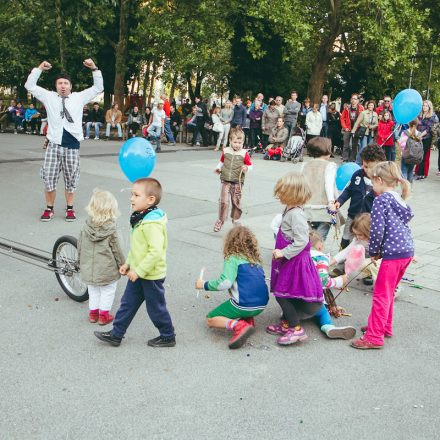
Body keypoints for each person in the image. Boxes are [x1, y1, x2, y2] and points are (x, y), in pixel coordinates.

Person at [94, 178, 176, 348]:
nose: (131, 198)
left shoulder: (151, 223)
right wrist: (129, 264)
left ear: (150, 200)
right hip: (138, 272)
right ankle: (116, 334)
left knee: (156, 308)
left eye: (136, 195)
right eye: (132, 194)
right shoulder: (140, 218)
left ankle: (168, 336)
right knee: (127, 303)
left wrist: (138, 271)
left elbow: (156, 251)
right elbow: (137, 248)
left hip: (151, 275)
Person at [25, 58, 103, 222]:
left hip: (72, 146)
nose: (62, 86)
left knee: (71, 179)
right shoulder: (49, 97)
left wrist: (94, 68)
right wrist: (39, 68)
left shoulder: (79, 97)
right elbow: (30, 86)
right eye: (60, 83)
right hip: (53, 145)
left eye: (65, 83)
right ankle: (49, 208)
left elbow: (98, 88)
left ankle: (69, 208)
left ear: (70, 86)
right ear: (56, 86)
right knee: (49, 178)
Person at [351, 162, 414, 349]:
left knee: (381, 295)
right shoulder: (399, 198)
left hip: (393, 254)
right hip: (406, 252)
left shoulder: (381, 200)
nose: (372, 187)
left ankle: (374, 337)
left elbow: (377, 230)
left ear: (379, 180)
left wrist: (375, 251)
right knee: (388, 293)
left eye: (372, 183)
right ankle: (384, 326)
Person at [268, 172, 323, 345]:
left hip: (296, 262)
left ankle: (296, 328)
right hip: (290, 260)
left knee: (282, 293)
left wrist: (284, 252)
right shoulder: (289, 209)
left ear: (293, 194)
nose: (278, 195)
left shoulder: (296, 214)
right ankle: (286, 322)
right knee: (286, 291)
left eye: (281, 192)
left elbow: (302, 240)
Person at [195, 226, 269, 349]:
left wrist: (203, 284)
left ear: (230, 242)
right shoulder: (256, 260)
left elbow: (225, 283)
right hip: (261, 305)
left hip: (244, 305)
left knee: (210, 318)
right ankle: (248, 320)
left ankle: (239, 326)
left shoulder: (233, 258)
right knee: (245, 290)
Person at [78, 189, 125, 325]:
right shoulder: (112, 230)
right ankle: (104, 315)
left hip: (89, 268)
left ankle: (93, 314)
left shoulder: (85, 227)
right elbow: (118, 250)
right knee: (108, 290)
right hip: (107, 269)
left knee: (93, 290)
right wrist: (123, 264)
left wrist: (79, 261)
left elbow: (80, 245)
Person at [335, 144, 386, 248]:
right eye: (364, 166)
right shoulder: (358, 174)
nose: (366, 169)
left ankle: (362, 259)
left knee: (365, 241)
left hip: (369, 219)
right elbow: (348, 190)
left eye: (370, 167)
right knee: (346, 237)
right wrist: (339, 201)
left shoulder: (381, 181)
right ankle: (342, 259)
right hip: (353, 215)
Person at [213, 128, 252, 232]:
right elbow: (221, 162)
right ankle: (220, 220)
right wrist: (218, 168)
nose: (237, 144)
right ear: (230, 141)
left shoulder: (244, 153)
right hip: (225, 180)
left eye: (240, 142)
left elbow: (250, 165)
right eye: (235, 142)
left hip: (237, 182)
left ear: (243, 142)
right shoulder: (225, 150)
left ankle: (235, 219)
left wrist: (246, 168)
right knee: (224, 202)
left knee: (236, 202)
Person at [301, 137, 337, 241]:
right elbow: (329, 184)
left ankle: (306, 256)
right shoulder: (330, 166)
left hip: (306, 206)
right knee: (319, 239)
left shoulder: (305, 165)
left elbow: (301, 185)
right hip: (324, 208)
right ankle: (316, 255)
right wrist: (332, 201)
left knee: (307, 237)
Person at [331, 213, 380, 286]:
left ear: (368, 231)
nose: (357, 236)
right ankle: (367, 274)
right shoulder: (358, 239)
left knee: (374, 267)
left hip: (382, 262)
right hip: (369, 260)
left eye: (360, 234)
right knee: (362, 263)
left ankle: (387, 286)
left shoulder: (378, 239)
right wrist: (332, 260)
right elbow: (347, 251)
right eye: (355, 234)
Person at [415, 100, 438, 180]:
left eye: (426, 106)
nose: (424, 107)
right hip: (418, 137)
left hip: (426, 138)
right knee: (418, 155)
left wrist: (421, 135)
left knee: (424, 155)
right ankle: (417, 172)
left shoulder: (432, 116)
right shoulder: (420, 115)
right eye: (423, 105)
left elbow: (428, 129)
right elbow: (416, 126)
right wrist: (417, 134)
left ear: (429, 107)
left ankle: (421, 174)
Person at [352, 100, 378, 164]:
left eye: (372, 105)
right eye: (369, 105)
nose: (370, 106)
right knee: (363, 147)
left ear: (374, 106)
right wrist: (353, 131)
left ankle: (366, 163)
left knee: (369, 149)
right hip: (364, 132)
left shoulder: (375, 114)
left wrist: (372, 127)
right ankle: (357, 162)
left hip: (371, 133)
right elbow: (357, 122)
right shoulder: (363, 113)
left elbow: (377, 124)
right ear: (367, 105)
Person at [340, 94, 364, 162]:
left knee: (354, 145)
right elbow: (342, 118)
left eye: (355, 99)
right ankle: (345, 159)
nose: (353, 100)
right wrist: (344, 127)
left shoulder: (361, 108)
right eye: (352, 98)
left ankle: (352, 159)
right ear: (351, 100)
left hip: (356, 129)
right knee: (346, 144)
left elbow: (363, 118)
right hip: (348, 128)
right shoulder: (347, 108)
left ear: (358, 100)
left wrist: (359, 127)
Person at [399, 119, 422, 183]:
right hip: (414, 156)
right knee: (410, 171)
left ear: (409, 124)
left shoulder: (405, 132)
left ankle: (405, 188)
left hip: (405, 155)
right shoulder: (419, 134)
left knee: (404, 171)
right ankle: (410, 187)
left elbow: (402, 143)